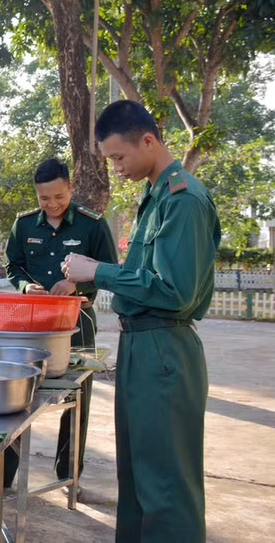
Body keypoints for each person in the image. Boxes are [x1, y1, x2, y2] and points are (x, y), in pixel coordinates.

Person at [63, 100, 220, 542]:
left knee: (165, 486)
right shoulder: (154, 198)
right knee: (136, 477)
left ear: (148, 140)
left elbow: (174, 290)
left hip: (164, 349)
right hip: (139, 346)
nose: (116, 168)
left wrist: (99, 271)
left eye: (119, 157)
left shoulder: (183, 200)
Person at [3, 158, 117, 491]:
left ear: (70, 187)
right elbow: (13, 266)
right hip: (32, 324)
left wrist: (77, 285)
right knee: (16, 395)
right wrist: (26, 286)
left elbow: (110, 271)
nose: (52, 204)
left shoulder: (92, 225)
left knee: (77, 399)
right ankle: (3, 475)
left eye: (59, 196)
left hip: (77, 322)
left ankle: (68, 476)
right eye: (44, 198)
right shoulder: (24, 224)